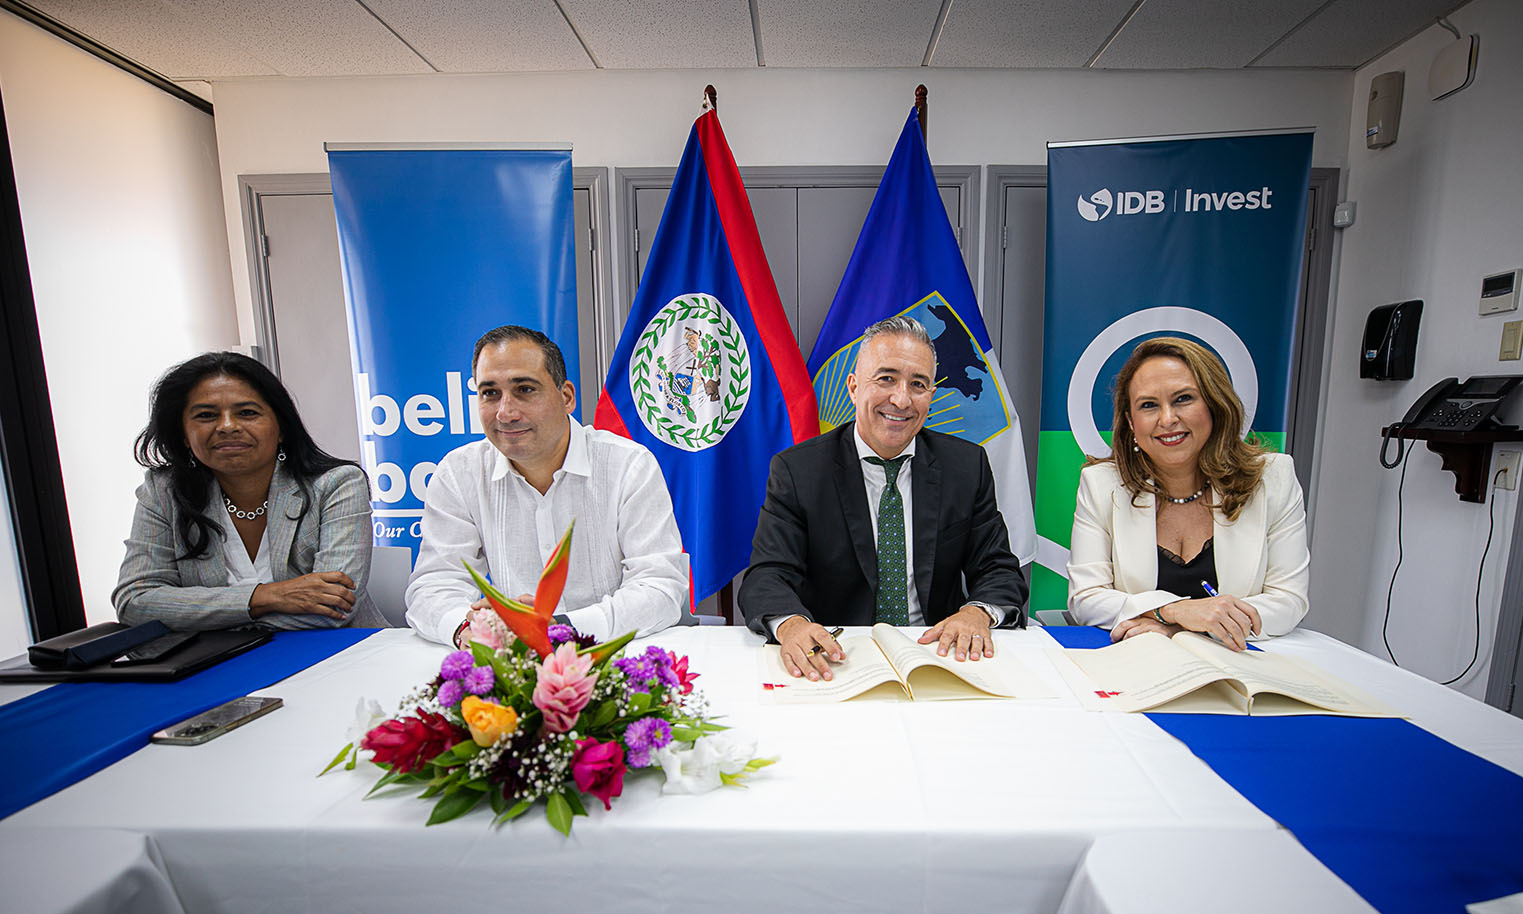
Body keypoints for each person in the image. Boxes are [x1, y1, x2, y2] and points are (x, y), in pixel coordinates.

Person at [739, 316, 1027, 680]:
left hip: (935, 656)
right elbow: (768, 575)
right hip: (836, 659)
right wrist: (793, 625)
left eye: (918, 384)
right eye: (886, 378)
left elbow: (999, 569)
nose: (901, 398)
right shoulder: (798, 471)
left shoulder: (966, 467)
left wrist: (976, 613)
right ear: (854, 387)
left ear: (930, 398)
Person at [405, 325, 688, 647]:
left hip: (616, 655)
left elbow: (659, 587)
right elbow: (433, 585)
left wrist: (558, 628)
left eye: (524, 389)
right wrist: (470, 632)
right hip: (509, 661)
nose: (505, 413)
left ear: (566, 397)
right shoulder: (459, 472)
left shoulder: (628, 465)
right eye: (489, 393)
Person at [1066, 336, 1309, 650]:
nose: (1167, 419)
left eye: (1183, 399)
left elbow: (1288, 600)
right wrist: (1172, 610)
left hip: (1238, 663)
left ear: (1214, 404)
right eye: (1149, 405)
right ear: (1131, 422)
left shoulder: (1273, 478)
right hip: (1138, 664)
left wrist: (1182, 630)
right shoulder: (1101, 485)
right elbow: (1086, 599)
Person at [115, 352, 384, 629]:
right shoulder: (163, 491)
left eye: (247, 413)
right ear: (184, 434)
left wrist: (198, 615)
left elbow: (335, 608)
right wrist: (264, 597)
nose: (228, 426)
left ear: (281, 428)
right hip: (219, 665)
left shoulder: (337, 484)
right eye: (206, 415)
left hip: (338, 657)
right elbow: (135, 602)